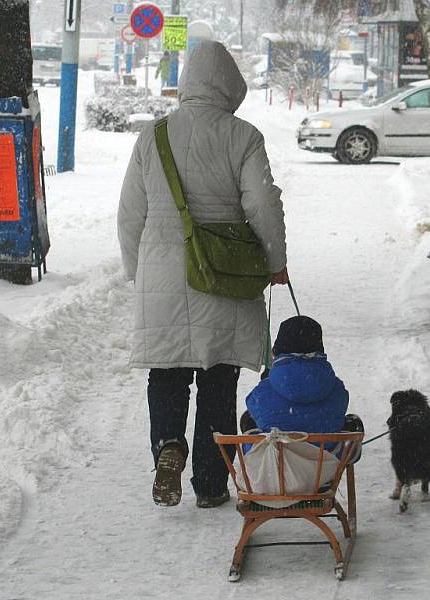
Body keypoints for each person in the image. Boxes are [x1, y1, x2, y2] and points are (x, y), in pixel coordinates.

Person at [118, 40, 288, 509]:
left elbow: (130, 214)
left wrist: (140, 275)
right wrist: (275, 262)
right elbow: (261, 203)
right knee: (218, 380)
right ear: (230, 85)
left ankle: (168, 446)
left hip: (164, 274)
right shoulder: (243, 136)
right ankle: (211, 483)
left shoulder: (152, 137)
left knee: (168, 374)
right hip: (225, 275)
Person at [241, 316, 362, 441]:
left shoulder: (265, 389)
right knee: (352, 423)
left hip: (277, 455)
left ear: (277, 350)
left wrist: (267, 381)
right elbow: (341, 407)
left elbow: (252, 404)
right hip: (326, 455)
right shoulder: (335, 386)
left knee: (249, 419)